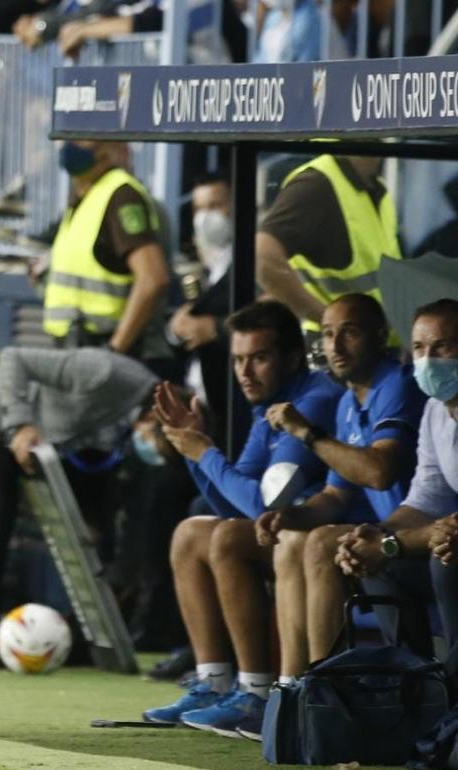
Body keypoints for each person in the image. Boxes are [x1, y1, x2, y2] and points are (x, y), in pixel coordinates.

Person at [144, 300, 343, 740]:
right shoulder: (264, 408)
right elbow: (233, 501)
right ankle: (214, 682)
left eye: (259, 357)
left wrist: (205, 453)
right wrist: (194, 450)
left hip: (324, 534)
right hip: (280, 534)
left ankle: (256, 691)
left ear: (292, 358)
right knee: (191, 533)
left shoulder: (313, 400)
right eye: (237, 359)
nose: (245, 372)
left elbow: (260, 507)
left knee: (229, 539)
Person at [0, 346, 158, 666]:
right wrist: (20, 423)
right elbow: (13, 357)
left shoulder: (133, 408)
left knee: (94, 529)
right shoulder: (107, 372)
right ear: (156, 415)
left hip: (49, 443)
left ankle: (88, 638)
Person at [255, 293, 425, 679]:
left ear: (380, 337)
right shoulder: (348, 402)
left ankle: (323, 689)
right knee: (291, 539)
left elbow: (379, 472)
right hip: (389, 532)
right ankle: (290, 687)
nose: (335, 346)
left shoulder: (399, 385)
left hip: (419, 534)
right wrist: (287, 516)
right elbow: (334, 496)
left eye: (349, 333)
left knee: (320, 542)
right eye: (328, 335)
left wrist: (307, 433)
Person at [335, 299, 458, 657]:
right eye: (419, 348)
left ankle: (453, 694)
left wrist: (391, 542)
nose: (428, 360)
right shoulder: (436, 410)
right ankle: (412, 689)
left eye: (443, 347)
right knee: (378, 564)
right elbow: (424, 500)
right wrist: (376, 536)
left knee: (446, 556)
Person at [255, 153, 400, 362]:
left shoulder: (377, 186)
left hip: (378, 352)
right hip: (341, 358)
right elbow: (263, 259)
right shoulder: (316, 185)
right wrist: (330, 324)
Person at [41, 140, 170, 362]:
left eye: (82, 137)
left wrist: (114, 351)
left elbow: (153, 278)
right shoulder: (86, 194)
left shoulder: (121, 195)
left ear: (112, 146)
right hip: (74, 349)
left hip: (103, 350)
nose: (70, 144)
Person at [169, 171, 233, 424]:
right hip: (198, 397)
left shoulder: (254, 261)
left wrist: (215, 329)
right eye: (198, 209)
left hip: (229, 402)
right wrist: (176, 329)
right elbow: (180, 319)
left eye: (215, 206)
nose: (205, 217)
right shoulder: (195, 262)